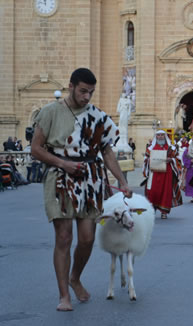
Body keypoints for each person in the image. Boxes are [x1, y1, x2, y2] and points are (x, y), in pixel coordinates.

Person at [31, 68, 132, 311]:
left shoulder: (98, 116)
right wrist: (63, 163)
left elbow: (107, 152)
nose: (87, 97)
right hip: (60, 178)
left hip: (91, 180)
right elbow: (36, 149)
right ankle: (64, 295)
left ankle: (74, 277)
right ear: (71, 86)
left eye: (91, 92)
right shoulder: (50, 112)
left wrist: (122, 181)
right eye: (83, 91)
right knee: (64, 237)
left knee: (87, 239)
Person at [143, 130, 183, 219]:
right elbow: (145, 159)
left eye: (162, 135)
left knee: (166, 192)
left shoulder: (171, 148)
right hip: (154, 173)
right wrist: (149, 160)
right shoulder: (150, 148)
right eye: (158, 135)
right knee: (152, 191)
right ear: (156, 137)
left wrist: (171, 160)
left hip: (167, 174)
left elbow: (178, 160)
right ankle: (152, 210)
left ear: (165, 137)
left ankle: (164, 212)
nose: (160, 137)